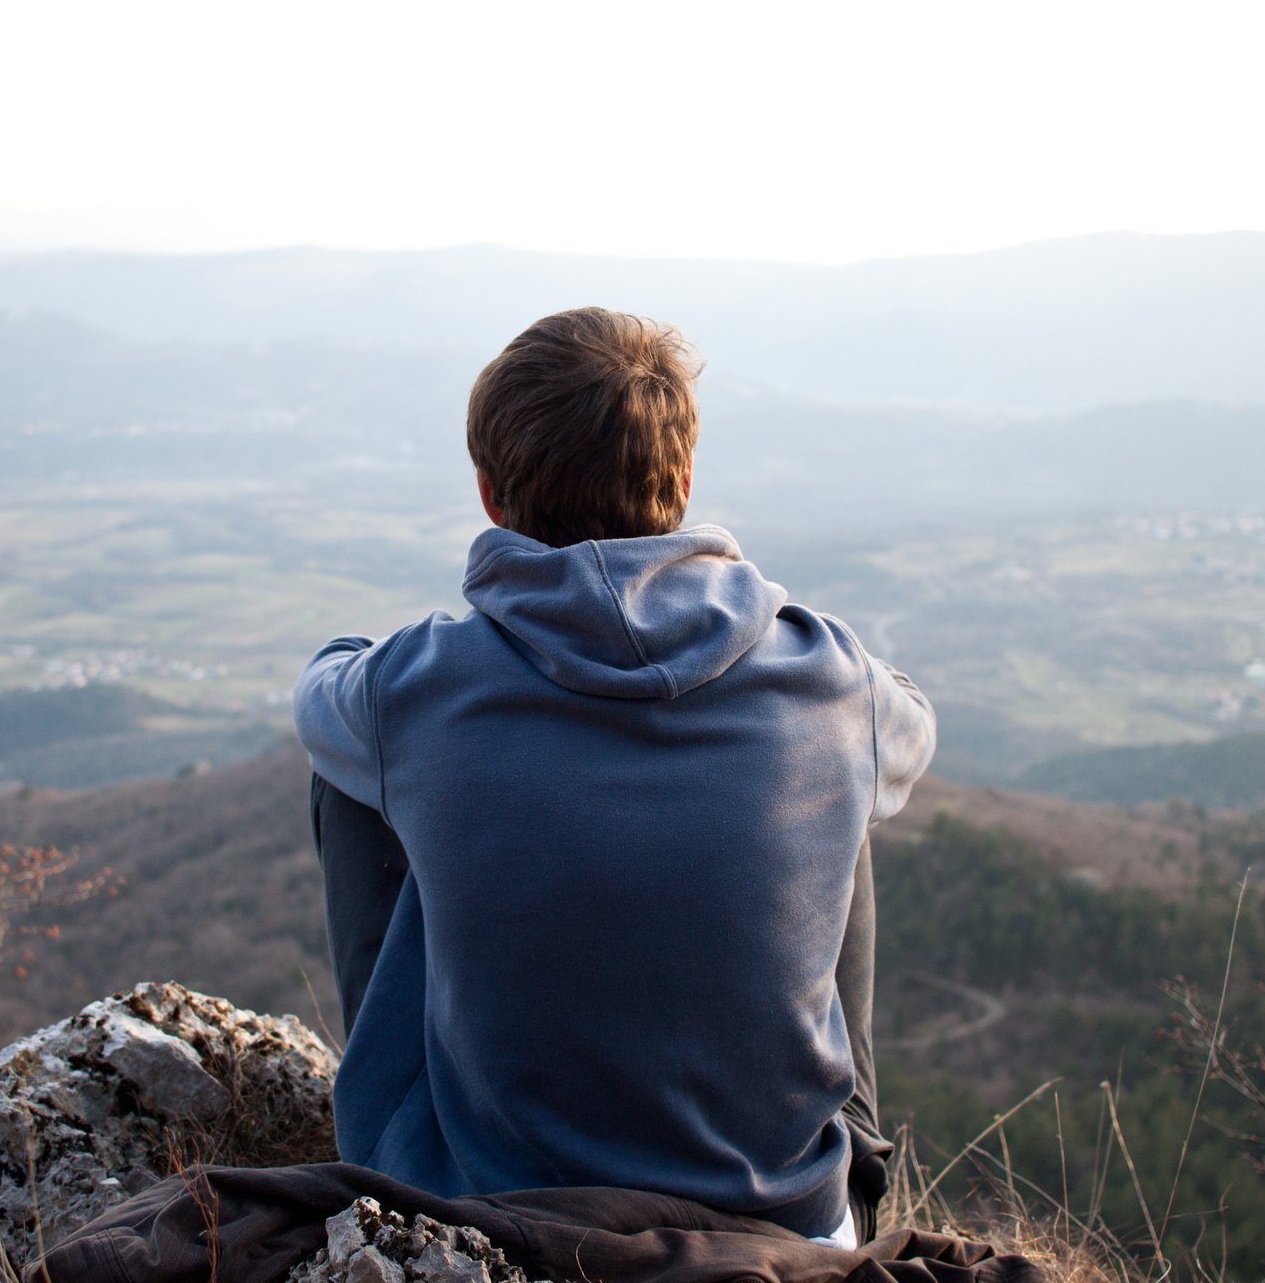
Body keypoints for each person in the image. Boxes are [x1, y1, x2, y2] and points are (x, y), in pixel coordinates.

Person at [292, 307, 937, 1250]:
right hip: (785, 1217)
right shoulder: (829, 678)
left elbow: (318, 695)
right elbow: (912, 721)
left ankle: (397, 1159)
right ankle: (857, 1164)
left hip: (498, 1208)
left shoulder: (416, 689)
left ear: (489, 494)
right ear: (678, 481)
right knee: (839, 776)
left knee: (354, 780)